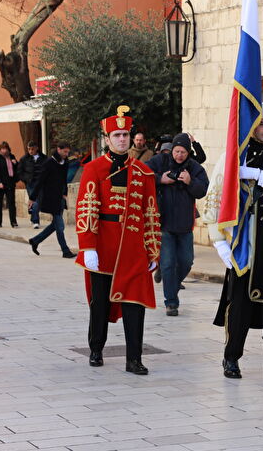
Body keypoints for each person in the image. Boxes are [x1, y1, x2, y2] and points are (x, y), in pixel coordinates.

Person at [203, 95, 263, 389]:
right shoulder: (234, 157)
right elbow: (216, 199)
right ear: (253, 125)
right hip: (244, 248)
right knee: (241, 310)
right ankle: (231, 358)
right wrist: (219, 241)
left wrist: (259, 176)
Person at [75, 106, 161, 375]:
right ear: (107, 138)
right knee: (99, 302)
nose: (122, 139)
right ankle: (96, 349)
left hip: (134, 247)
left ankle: (134, 358)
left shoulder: (143, 172)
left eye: (126, 134)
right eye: (117, 135)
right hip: (104, 245)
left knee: (135, 303)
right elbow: (86, 207)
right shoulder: (93, 168)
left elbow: (151, 213)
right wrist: (88, 246)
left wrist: (153, 251)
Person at [146, 133, 209, 316]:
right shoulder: (160, 161)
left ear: (188, 153)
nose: (179, 155)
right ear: (172, 149)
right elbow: (142, 174)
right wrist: (160, 179)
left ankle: (171, 284)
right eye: (177, 151)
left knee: (186, 262)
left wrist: (190, 182)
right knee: (167, 263)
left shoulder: (194, 167)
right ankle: (171, 303)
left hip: (184, 225)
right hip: (164, 222)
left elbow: (203, 190)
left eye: (183, 152)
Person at [28, 142, 76, 259]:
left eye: (68, 152)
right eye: (64, 152)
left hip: (60, 198)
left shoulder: (65, 163)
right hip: (50, 198)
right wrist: (32, 198)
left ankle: (35, 241)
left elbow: (64, 179)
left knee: (56, 224)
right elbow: (39, 181)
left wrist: (65, 193)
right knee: (60, 225)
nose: (66, 154)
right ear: (58, 149)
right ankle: (65, 251)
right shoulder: (49, 163)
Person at [0, 141, 19, 228]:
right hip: (0, 185)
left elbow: (17, 169)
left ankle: (13, 222)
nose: (4, 150)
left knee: (11, 203)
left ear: (8, 149)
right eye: (2, 149)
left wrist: (15, 163)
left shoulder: (11, 157)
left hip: (10, 183)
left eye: (5, 148)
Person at [17, 141, 47, 229]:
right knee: (35, 201)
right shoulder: (24, 159)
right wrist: (25, 180)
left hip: (40, 183)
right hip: (30, 183)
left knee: (39, 201)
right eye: (29, 149)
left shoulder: (44, 158)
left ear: (37, 148)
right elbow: (19, 172)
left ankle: (32, 216)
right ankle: (35, 221)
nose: (30, 151)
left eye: (32, 149)